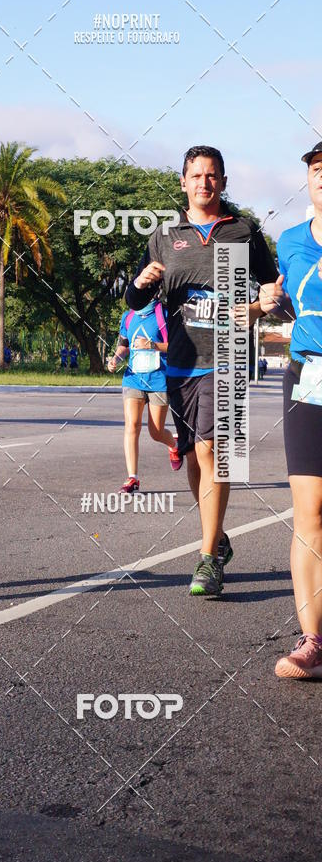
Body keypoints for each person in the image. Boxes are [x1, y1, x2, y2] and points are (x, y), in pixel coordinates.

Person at [126, 145, 278, 597]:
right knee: (194, 456)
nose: (204, 183)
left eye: (212, 176)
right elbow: (135, 300)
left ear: (224, 183)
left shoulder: (244, 232)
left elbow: (272, 290)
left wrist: (256, 308)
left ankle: (208, 558)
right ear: (183, 183)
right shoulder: (164, 235)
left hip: (228, 358)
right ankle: (219, 537)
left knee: (215, 450)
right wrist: (139, 284)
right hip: (180, 363)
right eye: (196, 176)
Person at [271, 141, 322, 677]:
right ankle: (313, 641)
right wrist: (265, 301)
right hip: (308, 376)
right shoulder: (289, 242)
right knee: (309, 512)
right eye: (316, 169)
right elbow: (278, 299)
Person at [107, 299, 181, 493]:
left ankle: (174, 445)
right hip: (133, 379)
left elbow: (177, 346)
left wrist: (153, 345)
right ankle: (132, 478)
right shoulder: (128, 316)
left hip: (159, 379)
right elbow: (124, 345)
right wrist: (115, 358)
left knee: (155, 431)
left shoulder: (165, 313)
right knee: (132, 425)